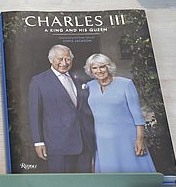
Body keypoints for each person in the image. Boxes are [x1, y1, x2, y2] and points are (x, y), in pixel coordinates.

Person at [83, 53, 157, 173]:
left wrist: (140, 139)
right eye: (94, 68)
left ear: (108, 67)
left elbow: (137, 115)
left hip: (126, 138)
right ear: (90, 70)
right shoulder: (89, 86)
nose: (99, 71)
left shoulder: (126, 84)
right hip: (102, 140)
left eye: (102, 67)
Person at [28, 44, 95, 173]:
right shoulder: (38, 81)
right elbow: (34, 114)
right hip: (58, 144)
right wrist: (38, 142)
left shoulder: (79, 79)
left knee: (84, 182)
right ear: (50, 59)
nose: (64, 63)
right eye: (60, 59)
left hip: (84, 142)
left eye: (68, 59)